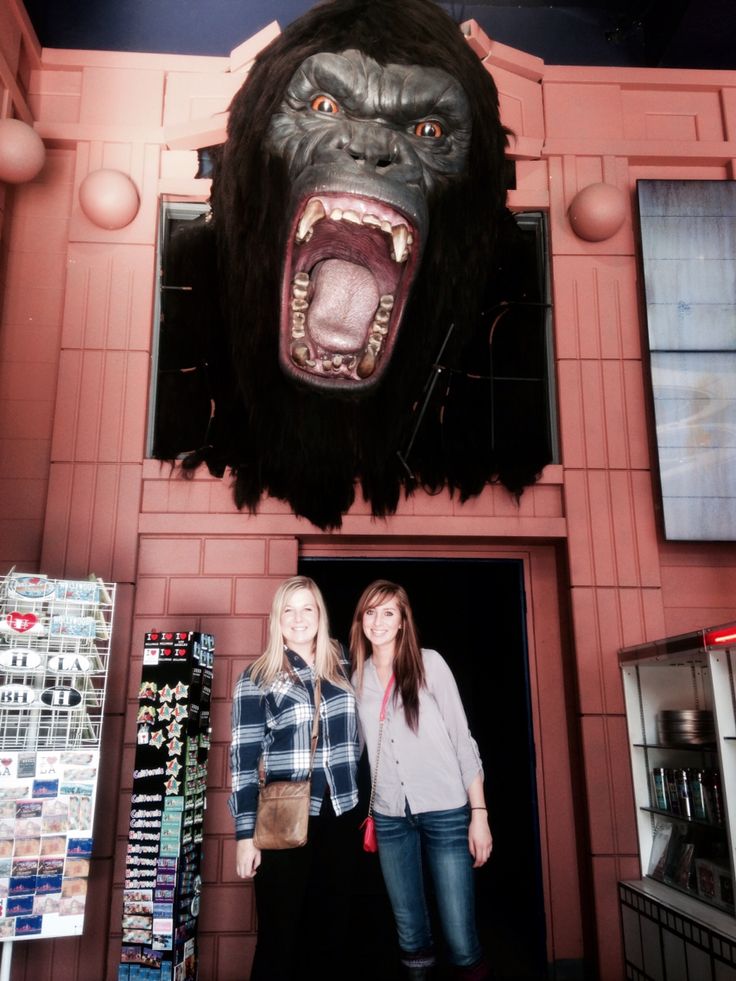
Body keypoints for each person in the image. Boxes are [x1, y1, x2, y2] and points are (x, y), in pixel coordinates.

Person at [350, 579, 493, 981]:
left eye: (388, 613)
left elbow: (463, 740)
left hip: (447, 811)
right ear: (361, 619)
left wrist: (478, 814)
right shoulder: (356, 678)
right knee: (410, 932)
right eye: (371, 612)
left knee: (459, 934)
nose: (378, 621)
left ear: (402, 622)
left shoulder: (430, 664)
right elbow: (353, 748)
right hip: (391, 817)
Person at [229, 575, 360, 980]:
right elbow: (243, 760)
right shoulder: (259, 675)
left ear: (320, 614)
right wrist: (244, 836)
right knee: (280, 938)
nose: (299, 618)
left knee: (333, 934)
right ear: (277, 618)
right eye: (289, 609)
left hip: (341, 814)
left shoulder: (343, 666)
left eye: (308, 608)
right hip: (283, 821)